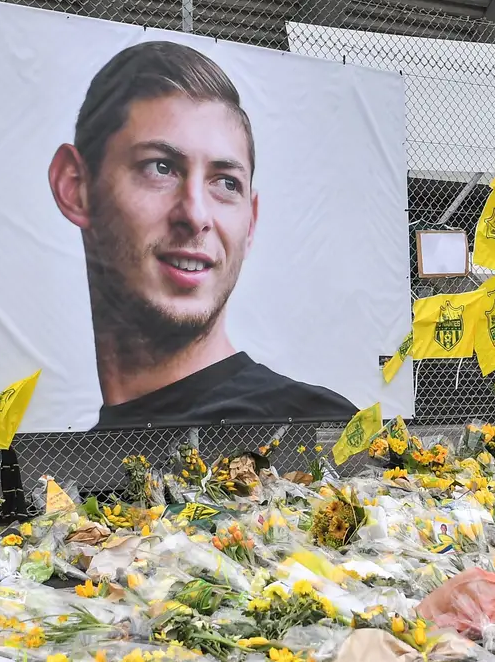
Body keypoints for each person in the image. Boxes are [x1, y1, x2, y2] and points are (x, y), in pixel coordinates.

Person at [48, 39, 355, 428]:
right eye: (160, 168)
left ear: (251, 221)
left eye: (226, 183)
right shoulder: (69, 462)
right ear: (75, 187)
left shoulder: (314, 428)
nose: (195, 216)